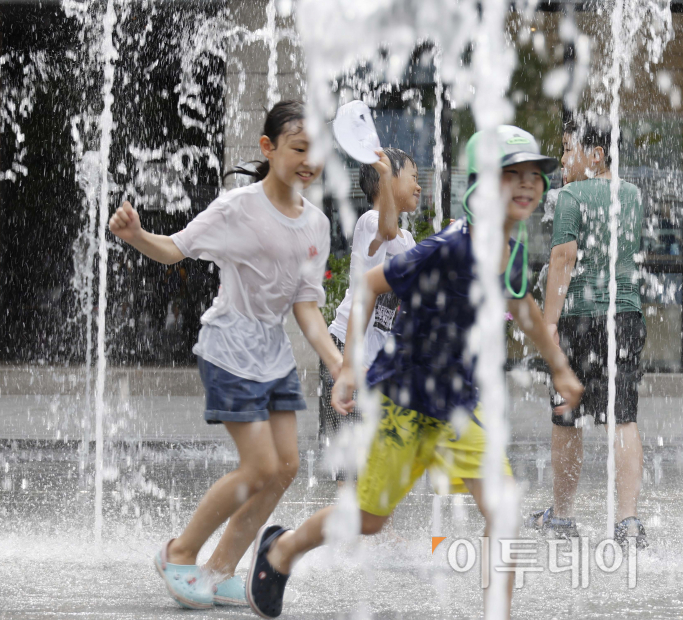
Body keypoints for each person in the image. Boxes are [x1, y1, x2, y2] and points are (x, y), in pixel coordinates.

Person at [242, 125, 585, 619]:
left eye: (535, 175)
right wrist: (348, 368)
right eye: (514, 175)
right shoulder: (446, 247)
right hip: (407, 402)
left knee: (503, 511)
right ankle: (280, 552)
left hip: (462, 408)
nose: (528, 183)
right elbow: (367, 286)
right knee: (368, 517)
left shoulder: (508, 252)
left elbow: (524, 308)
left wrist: (560, 367)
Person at [108, 100, 343, 609]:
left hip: (273, 352)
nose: (308, 160)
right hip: (228, 345)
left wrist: (337, 361)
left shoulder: (317, 226)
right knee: (258, 467)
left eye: (316, 151)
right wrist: (136, 236)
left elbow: (306, 306)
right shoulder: (238, 207)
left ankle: (220, 570)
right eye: (298, 148)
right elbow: (176, 247)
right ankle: (179, 552)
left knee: (283, 468)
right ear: (269, 148)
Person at [527, 115, 648, 547]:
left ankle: (562, 516)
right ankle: (628, 521)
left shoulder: (571, 196)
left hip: (580, 318)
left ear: (596, 154)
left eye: (567, 149)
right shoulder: (633, 196)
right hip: (626, 316)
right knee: (623, 416)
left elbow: (563, 259)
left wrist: (550, 323)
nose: (562, 159)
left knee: (566, 416)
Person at [319, 147, 421, 464]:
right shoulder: (369, 222)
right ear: (386, 181)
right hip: (346, 350)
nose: (419, 186)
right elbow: (386, 229)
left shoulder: (408, 240)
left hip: (375, 361)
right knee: (351, 470)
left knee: (378, 467)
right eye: (413, 177)